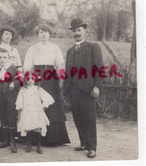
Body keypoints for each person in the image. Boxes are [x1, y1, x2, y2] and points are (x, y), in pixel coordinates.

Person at [23, 24, 70, 146]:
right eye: (40, 32)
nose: (43, 34)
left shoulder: (55, 48)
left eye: (46, 32)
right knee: (36, 103)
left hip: (51, 77)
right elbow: (27, 65)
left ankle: (53, 138)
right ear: (38, 35)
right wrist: (29, 78)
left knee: (51, 104)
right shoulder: (32, 48)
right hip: (37, 77)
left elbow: (60, 64)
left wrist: (61, 79)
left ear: (49, 34)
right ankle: (34, 138)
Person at [64, 18, 104, 158]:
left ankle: (92, 147)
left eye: (79, 30)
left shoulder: (93, 47)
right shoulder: (70, 51)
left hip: (88, 89)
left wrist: (97, 86)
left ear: (84, 31)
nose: (76, 33)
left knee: (89, 118)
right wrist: (66, 89)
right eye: (74, 31)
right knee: (77, 117)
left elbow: (100, 69)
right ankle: (84, 143)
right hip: (73, 90)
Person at [0, 49, 20, 153]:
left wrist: (14, 83)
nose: (2, 59)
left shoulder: (14, 68)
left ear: (8, 58)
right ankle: (6, 139)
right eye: (0, 57)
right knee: (2, 117)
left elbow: (21, 80)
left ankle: (13, 141)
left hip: (11, 98)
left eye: (4, 57)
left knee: (11, 117)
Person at [16, 75, 54, 154]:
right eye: (28, 79)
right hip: (27, 111)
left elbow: (48, 98)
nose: (30, 80)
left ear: (35, 80)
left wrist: (44, 106)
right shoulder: (23, 90)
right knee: (28, 127)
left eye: (32, 79)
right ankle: (28, 144)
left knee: (38, 128)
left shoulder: (38, 89)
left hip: (37, 111)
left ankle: (38, 145)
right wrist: (20, 110)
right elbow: (19, 100)